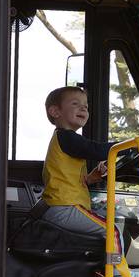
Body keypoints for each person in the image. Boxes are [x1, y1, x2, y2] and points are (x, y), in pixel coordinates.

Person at [39, 86, 123, 254]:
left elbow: (72, 179)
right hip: (65, 207)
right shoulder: (66, 137)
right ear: (55, 111)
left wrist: (92, 177)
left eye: (86, 105)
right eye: (75, 103)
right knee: (112, 231)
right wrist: (130, 146)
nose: (83, 108)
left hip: (62, 206)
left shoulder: (65, 140)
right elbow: (96, 150)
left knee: (109, 222)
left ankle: (103, 272)